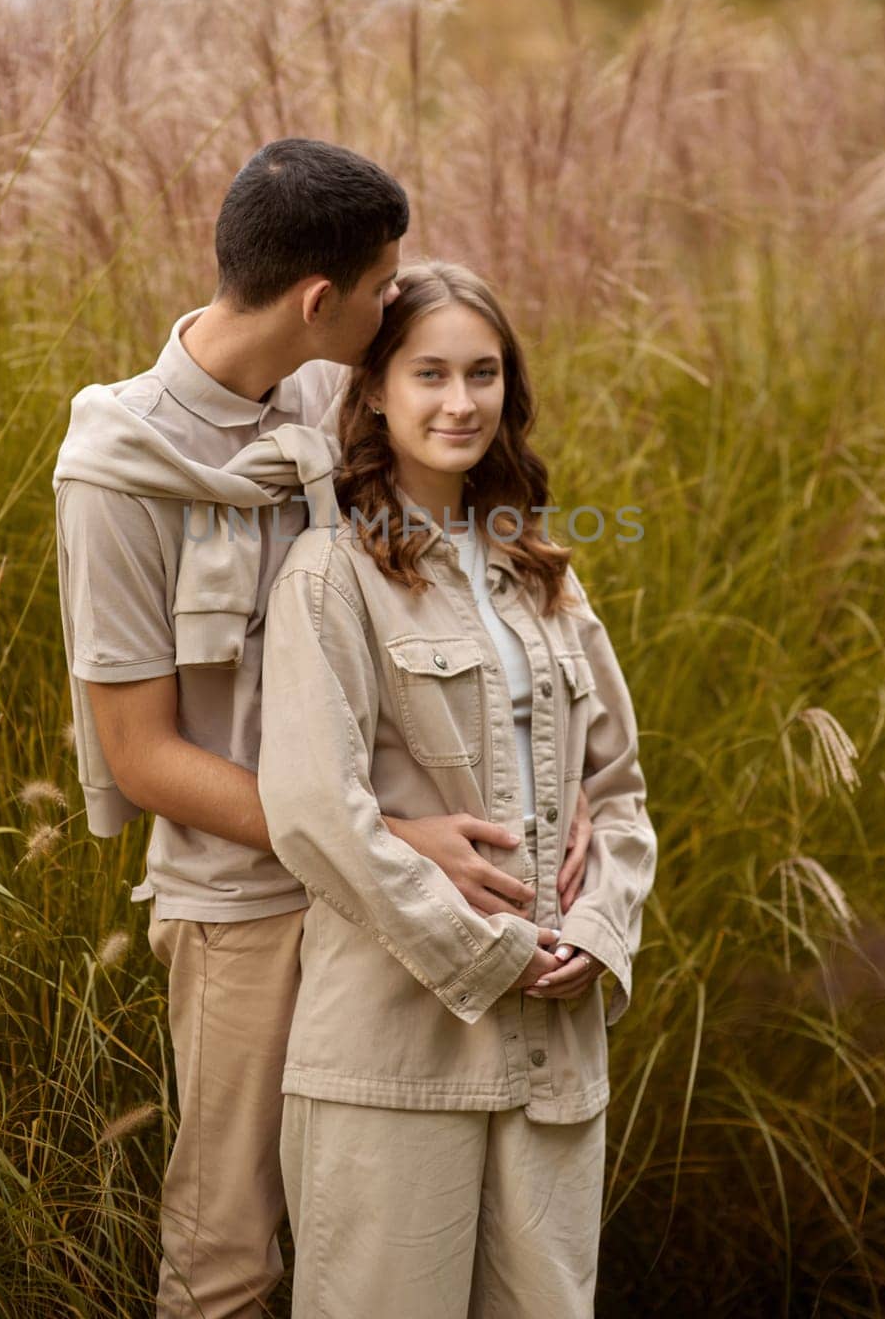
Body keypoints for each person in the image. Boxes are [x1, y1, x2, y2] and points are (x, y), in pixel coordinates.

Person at [52, 140, 595, 1319]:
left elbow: (465, 583)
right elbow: (141, 754)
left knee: (400, 1242)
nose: (395, 296)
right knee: (233, 1249)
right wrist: (378, 835)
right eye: (383, 281)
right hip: (247, 903)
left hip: (403, 895)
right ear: (318, 301)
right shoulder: (115, 473)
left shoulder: (327, 388)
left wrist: (558, 769)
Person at [257, 259, 658, 1319]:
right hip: (396, 1053)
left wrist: (602, 929)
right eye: (429, 373)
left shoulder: (548, 577)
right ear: (376, 389)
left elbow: (617, 790)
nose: (460, 401)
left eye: (483, 373)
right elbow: (315, 812)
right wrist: (491, 950)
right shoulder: (331, 575)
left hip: (553, 1056)